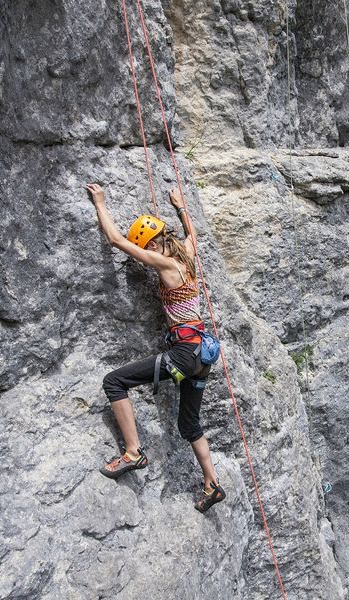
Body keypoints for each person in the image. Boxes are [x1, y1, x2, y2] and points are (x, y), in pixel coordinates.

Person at [85, 182, 225, 513]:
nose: (147, 253)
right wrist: (179, 205)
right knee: (189, 425)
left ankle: (133, 452)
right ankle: (212, 484)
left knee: (114, 382)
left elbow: (117, 241)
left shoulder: (165, 265)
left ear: (153, 244)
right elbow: (194, 236)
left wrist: (101, 203)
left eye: (147, 248)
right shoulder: (186, 256)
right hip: (202, 356)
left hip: (184, 354)